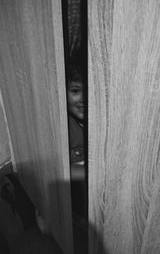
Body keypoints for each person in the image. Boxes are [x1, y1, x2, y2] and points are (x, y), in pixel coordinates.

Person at [67, 61, 87, 218]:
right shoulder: (65, 125)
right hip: (71, 186)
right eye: (75, 91)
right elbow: (59, 170)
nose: (83, 98)